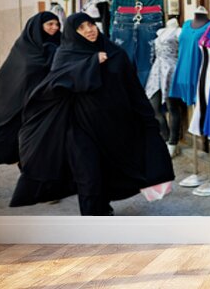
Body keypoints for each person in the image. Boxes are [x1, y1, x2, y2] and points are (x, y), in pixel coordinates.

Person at [10, 13, 175, 216]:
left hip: (114, 127)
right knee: (88, 176)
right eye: (81, 28)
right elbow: (55, 85)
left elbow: (133, 90)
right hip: (79, 128)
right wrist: (90, 63)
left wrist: (148, 121)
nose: (89, 30)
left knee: (106, 172)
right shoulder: (65, 55)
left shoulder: (115, 53)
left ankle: (102, 209)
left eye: (91, 24)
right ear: (72, 32)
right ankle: (92, 223)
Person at [0, 12, 61, 168]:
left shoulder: (59, 45)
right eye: (50, 24)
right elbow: (11, 78)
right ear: (38, 27)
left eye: (57, 24)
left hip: (46, 104)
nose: (55, 28)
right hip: (20, 105)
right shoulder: (24, 48)